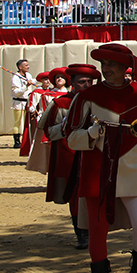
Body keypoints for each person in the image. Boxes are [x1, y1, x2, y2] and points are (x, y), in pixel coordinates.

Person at [65, 44, 137, 273]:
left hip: (132, 172)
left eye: (112, 64)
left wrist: (136, 151)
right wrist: (90, 136)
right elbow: (69, 136)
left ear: (125, 68)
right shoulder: (87, 96)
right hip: (96, 172)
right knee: (98, 232)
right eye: (104, 64)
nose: (106, 69)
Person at [30, 65, 94, 250]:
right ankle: (82, 234)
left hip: (93, 155)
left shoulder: (100, 101)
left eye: (90, 82)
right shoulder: (60, 103)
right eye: (82, 82)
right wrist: (66, 127)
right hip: (70, 155)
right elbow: (48, 131)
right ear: (72, 83)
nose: (87, 85)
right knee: (75, 195)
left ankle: (94, 231)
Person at [11, 59, 34, 148]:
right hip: (19, 102)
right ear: (20, 67)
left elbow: (32, 82)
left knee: (28, 121)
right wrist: (26, 86)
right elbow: (15, 92)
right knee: (17, 122)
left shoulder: (28, 75)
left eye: (28, 65)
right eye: (26, 65)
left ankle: (27, 140)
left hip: (27, 102)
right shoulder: (15, 78)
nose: (28, 67)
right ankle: (17, 142)